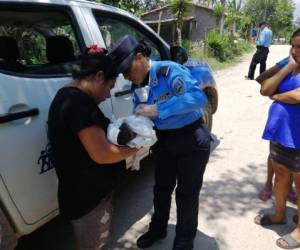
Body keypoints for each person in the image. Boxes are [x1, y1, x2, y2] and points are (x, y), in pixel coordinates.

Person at [110, 35, 211, 250]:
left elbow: (198, 98)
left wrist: (157, 109)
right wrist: (133, 128)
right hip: (164, 141)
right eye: (123, 74)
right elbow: (143, 117)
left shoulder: (168, 71)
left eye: (128, 70)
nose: (127, 76)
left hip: (190, 138)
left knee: (186, 194)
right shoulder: (137, 85)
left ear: (140, 57)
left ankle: (184, 242)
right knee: (161, 189)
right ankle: (158, 229)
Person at [47, 45, 139, 250]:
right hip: (87, 200)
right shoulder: (77, 104)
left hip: (85, 194)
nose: (109, 94)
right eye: (110, 86)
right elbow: (102, 154)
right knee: (93, 244)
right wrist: (136, 147)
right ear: (98, 76)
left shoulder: (71, 96)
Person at [254, 28, 300, 249]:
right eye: (293, 45)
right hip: (280, 135)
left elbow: (296, 96)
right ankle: (279, 214)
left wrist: (277, 95)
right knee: (281, 175)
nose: (295, 50)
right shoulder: (289, 65)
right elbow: (264, 88)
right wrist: (287, 68)